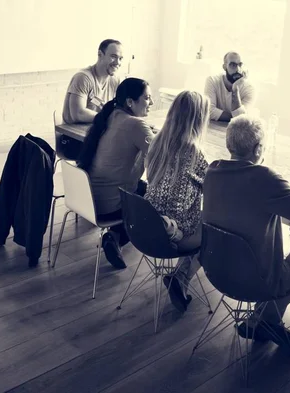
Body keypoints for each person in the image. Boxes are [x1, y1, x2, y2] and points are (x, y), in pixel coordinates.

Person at [202, 115, 290, 348]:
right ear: (258, 149)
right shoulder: (265, 178)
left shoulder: (212, 170)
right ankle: (266, 321)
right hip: (254, 282)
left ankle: (261, 319)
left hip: (215, 270)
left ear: (229, 145)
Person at [76, 77, 154, 269]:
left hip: (88, 198)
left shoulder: (110, 115)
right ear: (130, 102)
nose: (151, 103)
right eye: (147, 98)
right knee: (157, 199)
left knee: (143, 188)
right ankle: (117, 236)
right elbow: (161, 157)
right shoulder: (137, 125)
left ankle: (115, 234)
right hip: (110, 205)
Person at [144, 91, 210, 312]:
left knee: (199, 215)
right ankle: (181, 276)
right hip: (173, 236)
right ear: (199, 120)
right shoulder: (194, 152)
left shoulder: (157, 142)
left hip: (147, 225)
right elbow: (213, 189)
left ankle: (179, 276)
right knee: (215, 228)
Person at [63, 39, 123, 124]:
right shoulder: (83, 78)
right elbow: (78, 114)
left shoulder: (115, 80)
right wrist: (108, 117)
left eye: (120, 58)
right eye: (113, 56)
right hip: (73, 135)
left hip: (97, 129)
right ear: (100, 54)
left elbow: (120, 110)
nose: (118, 62)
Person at [204, 51, 256, 122]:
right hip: (214, 128)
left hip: (238, 131)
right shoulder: (212, 81)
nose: (238, 69)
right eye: (233, 65)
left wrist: (235, 89)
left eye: (240, 65)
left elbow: (241, 120)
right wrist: (235, 117)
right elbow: (209, 111)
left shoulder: (249, 89)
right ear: (224, 67)